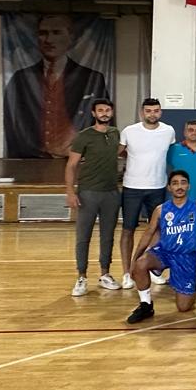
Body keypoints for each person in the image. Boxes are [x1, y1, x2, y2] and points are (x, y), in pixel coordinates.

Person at [4, 13, 110, 158]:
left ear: (71, 37)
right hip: (32, 159)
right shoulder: (20, 79)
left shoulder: (92, 78)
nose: (49, 40)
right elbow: (12, 125)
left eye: (56, 32)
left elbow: (104, 120)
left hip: (77, 158)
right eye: (43, 33)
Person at [125, 170, 196, 323]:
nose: (179, 186)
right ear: (169, 187)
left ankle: (188, 286)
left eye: (183, 183)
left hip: (186, 257)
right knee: (141, 264)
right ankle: (146, 305)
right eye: (175, 183)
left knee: (183, 307)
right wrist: (134, 259)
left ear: (189, 186)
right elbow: (148, 234)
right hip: (165, 252)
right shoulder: (161, 210)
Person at [118, 98, 176, 289]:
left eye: (156, 110)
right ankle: (127, 273)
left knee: (157, 230)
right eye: (148, 111)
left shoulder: (168, 131)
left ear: (161, 112)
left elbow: (171, 153)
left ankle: (151, 269)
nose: (152, 114)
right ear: (142, 112)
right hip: (132, 187)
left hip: (157, 186)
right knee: (128, 230)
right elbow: (119, 152)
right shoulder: (129, 131)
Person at [66, 98, 121, 296]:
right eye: (101, 110)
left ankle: (105, 274)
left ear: (111, 113)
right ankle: (81, 277)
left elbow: (118, 152)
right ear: (94, 113)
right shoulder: (84, 136)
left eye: (107, 110)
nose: (104, 113)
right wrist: (70, 191)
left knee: (108, 236)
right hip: (88, 192)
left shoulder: (115, 133)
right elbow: (71, 165)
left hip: (111, 193)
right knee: (83, 237)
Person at [166, 119, 196, 246]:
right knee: (176, 241)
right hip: (178, 205)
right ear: (184, 132)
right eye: (190, 130)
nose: (194, 133)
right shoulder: (173, 150)